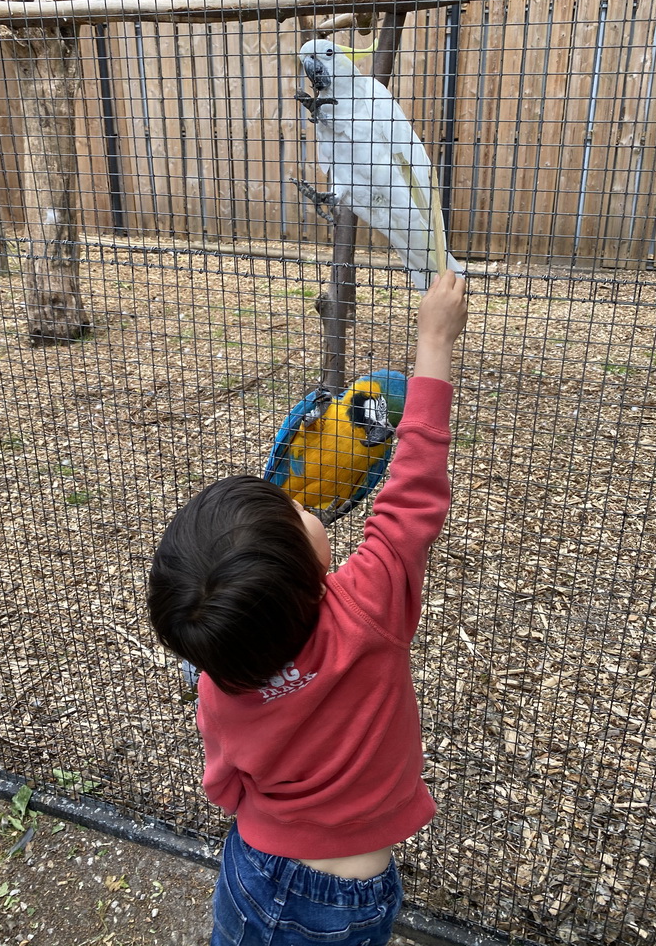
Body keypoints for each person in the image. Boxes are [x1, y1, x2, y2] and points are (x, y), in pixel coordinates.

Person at [148, 270, 468, 946]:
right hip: (349, 895)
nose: (303, 503)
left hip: (255, 865)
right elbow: (413, 497)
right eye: (296, 513)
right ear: (312, 568)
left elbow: (224, 783)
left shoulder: (221, 681)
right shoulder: (370, 606)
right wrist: (434, 342)